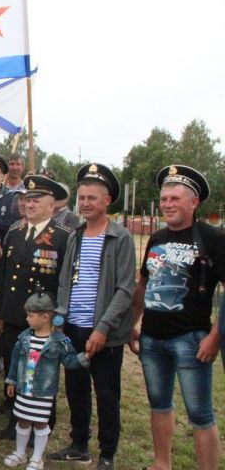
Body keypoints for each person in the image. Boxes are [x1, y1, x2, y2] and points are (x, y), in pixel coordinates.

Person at [129, 165, 224, 470]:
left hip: (192, 340)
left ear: (193, 202)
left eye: (174, 198)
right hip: (152, 339)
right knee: (158, 405)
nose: (167, 204)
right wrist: (133, 323)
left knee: (200, 414)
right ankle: (161, 464)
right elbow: (144, 283)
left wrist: (215, 336)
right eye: (164, 199)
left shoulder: (212, 238)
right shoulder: (156, 238)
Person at [49, 163, 135, 469]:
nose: (85, 204)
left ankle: (107, 453)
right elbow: (64, 282)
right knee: (75, 390)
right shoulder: (75, 235)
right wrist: (59, 320)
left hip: (105, 334)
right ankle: (79, 444)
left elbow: (125, 289)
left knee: (107, 394)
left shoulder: (120, 238)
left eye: (92, 198)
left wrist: (102, 329)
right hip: (73, 328)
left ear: (107, 200)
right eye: (81, 198)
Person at [0, 175, 70, 439]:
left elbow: (64, 283)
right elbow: (3, 278)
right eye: (27, 199)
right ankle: (15, 422)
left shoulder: (61, 238)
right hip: (14, 313)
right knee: (15, 367)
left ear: (53, 206)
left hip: (43, 319)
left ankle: (44, 423)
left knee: (40, 371)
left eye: (37, 200)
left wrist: (58, 320)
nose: (30, 204)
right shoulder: (15, 233)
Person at [3, 291, 89, 470]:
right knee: (22, 420)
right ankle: (20, 452)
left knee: (41, 422)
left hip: (43, 392)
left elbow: (70, 360)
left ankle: (37, 458)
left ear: (45, 317)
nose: (26, 319)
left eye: (30, 315)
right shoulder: (24, 337)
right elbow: (15, 360)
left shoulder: (59, 341)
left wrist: (85, 357)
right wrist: (11, 381)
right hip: (24, 389)